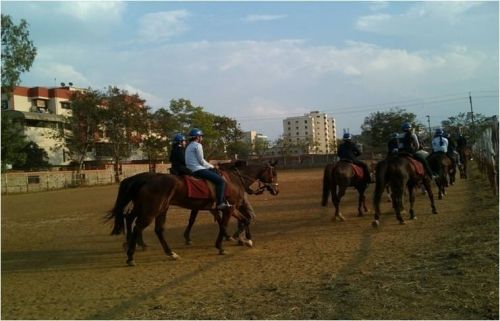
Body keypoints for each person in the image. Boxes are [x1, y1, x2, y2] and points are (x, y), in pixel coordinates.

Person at [185, 128, 230, 210]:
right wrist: (212, 166)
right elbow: (201, 161)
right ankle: (220, 203)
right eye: (201, 136)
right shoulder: (198, 145)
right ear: (197, 137)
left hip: (191, 169)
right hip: (198, 169)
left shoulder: (189, 146)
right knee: (221, 181)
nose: (202, 138)